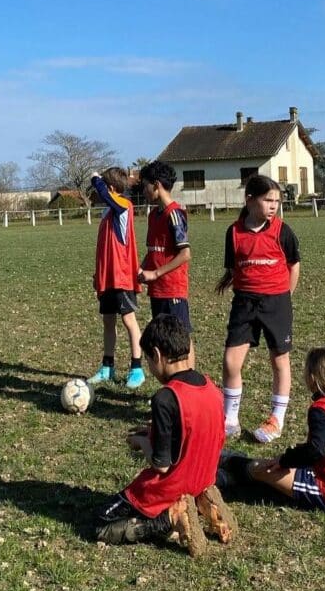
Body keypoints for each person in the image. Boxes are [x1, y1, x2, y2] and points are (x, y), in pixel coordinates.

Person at [95, 315, 237, 556]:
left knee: (102, 524)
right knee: (192, 484)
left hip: (172, 484)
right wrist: (155, 432)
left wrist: (141, 442)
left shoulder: (165, 398)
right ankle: (203, 499)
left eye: (149, 361)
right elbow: (194, 432)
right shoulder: (210, 387)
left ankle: (171, 517)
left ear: (158, 355)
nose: (151, 368)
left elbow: (161, 465)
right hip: (202, 476)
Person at [218, 347, 325, 515]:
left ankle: (222, 473)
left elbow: (317, 450)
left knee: (263, 470)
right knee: (270, 466)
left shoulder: (322, 409)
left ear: (312, 379)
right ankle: (228, 462)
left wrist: (286, 460)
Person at [215, 174, 301, 443]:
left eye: (277, 201)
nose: (273, 206)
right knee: (231, 361)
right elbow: (233, 267)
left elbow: (294, 267)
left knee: (279, 360)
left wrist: (284, 297)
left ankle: (277, 418)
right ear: (250, 200)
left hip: (276, 303)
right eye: (268, 200)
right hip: (244, 303)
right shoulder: (233, 232)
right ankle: (230, 419)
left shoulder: (283, 231)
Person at [87, 167, 145, 389]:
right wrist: (98, 274)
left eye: (104, 186)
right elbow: (104, 247)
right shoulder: (107, 213)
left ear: (111, 188)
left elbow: (102, 192)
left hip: (122, 277)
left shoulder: (124, 207)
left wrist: (95, 179)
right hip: (107, 277)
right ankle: (107, 367)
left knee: (128, 320)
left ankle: (137, 368)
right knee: (108, 321)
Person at [137, 161, 193, 347]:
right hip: (157, 290)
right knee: (163, 340)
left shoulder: (175, 214)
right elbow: (153, 250)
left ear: (157, 185)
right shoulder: (153, 215)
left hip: (172, 289)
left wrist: (155, 273)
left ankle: (189, 375)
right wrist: (141, 268)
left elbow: (184, 254)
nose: (143, 190)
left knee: (181, 339)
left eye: (145, 185)